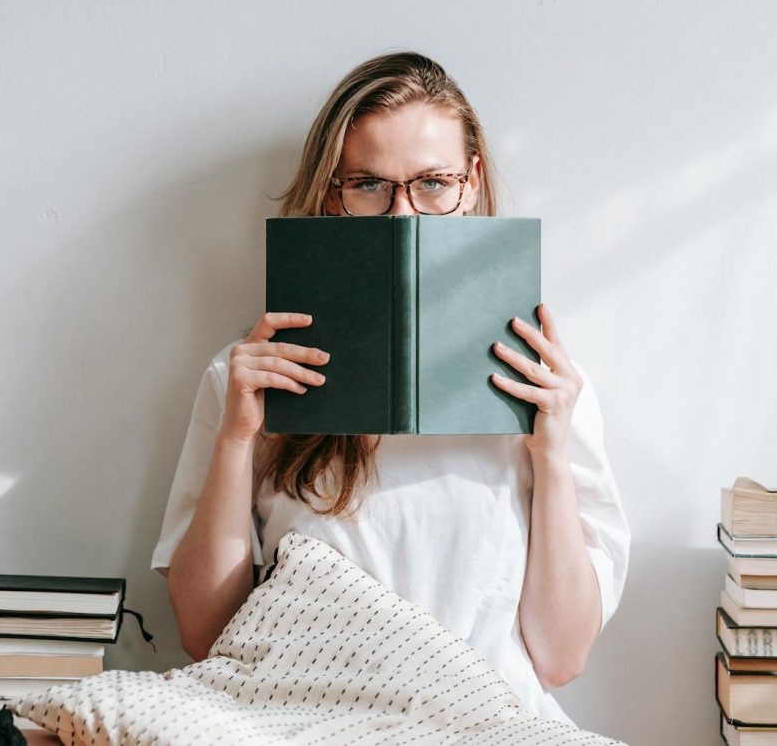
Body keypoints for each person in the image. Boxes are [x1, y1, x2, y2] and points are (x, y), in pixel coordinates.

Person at [151, 51, 630, 725]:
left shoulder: (546, 386)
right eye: (369, 185)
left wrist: (549, 451)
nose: (402, 216)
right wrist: (237, 437)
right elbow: (204, 636)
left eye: (433, 183)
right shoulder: (247, 380)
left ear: (472, 183)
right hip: (305, 722)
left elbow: (561, 656)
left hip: (486, 724)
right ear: (331, 194)